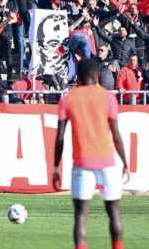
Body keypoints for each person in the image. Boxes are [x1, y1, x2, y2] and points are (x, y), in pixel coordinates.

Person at [53, 58, 129, 249]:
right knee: (114, 212)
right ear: (96, 76)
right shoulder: (108, 97)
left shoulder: (68, 98)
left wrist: (55, 166)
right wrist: (125, 163)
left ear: (77, 76)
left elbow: (60, 137)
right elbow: (117, 135)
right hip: (107, 162)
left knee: (81, 216)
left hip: (82, 163)